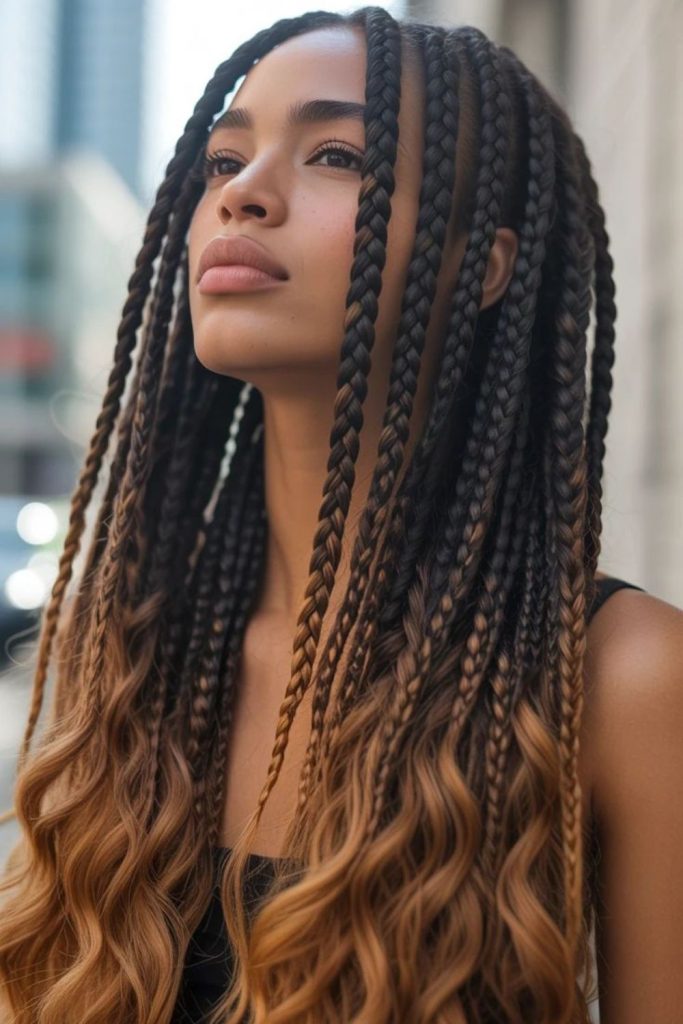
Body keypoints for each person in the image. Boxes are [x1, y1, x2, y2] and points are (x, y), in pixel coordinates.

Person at [1, 6, 682, 1023]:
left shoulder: (620, 675)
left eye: (334, 155)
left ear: (482, 265)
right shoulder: (139, 636)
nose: (242, 194)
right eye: (221, 159)